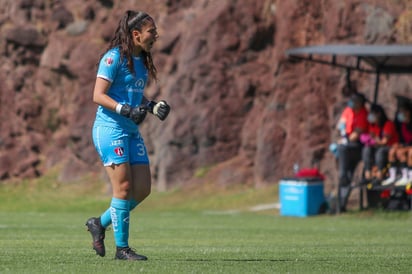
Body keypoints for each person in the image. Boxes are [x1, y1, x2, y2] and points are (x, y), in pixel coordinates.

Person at [85, 10, 170, 261]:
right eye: (151, 31)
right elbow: (98, 95)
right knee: (122, 189)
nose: (156, 35)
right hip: (110, 130)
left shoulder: (142, 61)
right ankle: (122, 249)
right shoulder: (113, 59)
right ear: (136, 34)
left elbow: (133, 95)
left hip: (131, 131)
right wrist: (125, 109)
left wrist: (151, 106)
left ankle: (99, 224)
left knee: (142, 189)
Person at [335, 92, 369, 211]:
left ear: (360, 103)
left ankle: (342, 203)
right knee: (344, 174)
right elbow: (340, 124)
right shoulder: (348, 110)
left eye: (354, 101)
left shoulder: (363, 114)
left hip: (356, 147)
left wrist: (345, 139)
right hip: (345, 145)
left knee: (347, 174)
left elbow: (356, 135)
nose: (352, 103)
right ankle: (340, 204)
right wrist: (342, 133)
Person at [361, 104, 398, 183]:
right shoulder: (373, 126)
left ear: (379, 114)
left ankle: (380, 174)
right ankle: (368, 174)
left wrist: (374, 138)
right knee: (366, 149)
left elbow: (384, 142)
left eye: (373, 114)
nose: (370, 116)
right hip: (378, 146)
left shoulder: (388, 124)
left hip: (390, 146)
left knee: (380, 152)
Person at [382, 103, 412, 186]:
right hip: (405, 145)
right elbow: (401, 139)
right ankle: (393, 176)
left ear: (408, 112)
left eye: (402, 112)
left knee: (409, 153)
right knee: (392, 151)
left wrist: (406, 147)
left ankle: (409, 176)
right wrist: (399, 145)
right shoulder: (401, 125)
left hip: (410, 147)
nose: (400, 114)